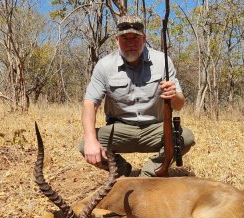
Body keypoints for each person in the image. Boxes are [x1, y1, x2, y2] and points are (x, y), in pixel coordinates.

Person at [79, 15, 195, 177]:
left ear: (144, 39)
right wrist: (91, 140)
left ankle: (149, 174)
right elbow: (90, 103)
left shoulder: (162, 61)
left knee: (185, 137)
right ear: (117, 40)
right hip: (121, 128)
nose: (131, 43)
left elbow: (179, 105)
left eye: (136, 37)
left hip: (155, 128)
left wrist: (173, 94)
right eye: (125, 38)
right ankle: (122, 171)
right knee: (85, 143)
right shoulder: (104, 65)